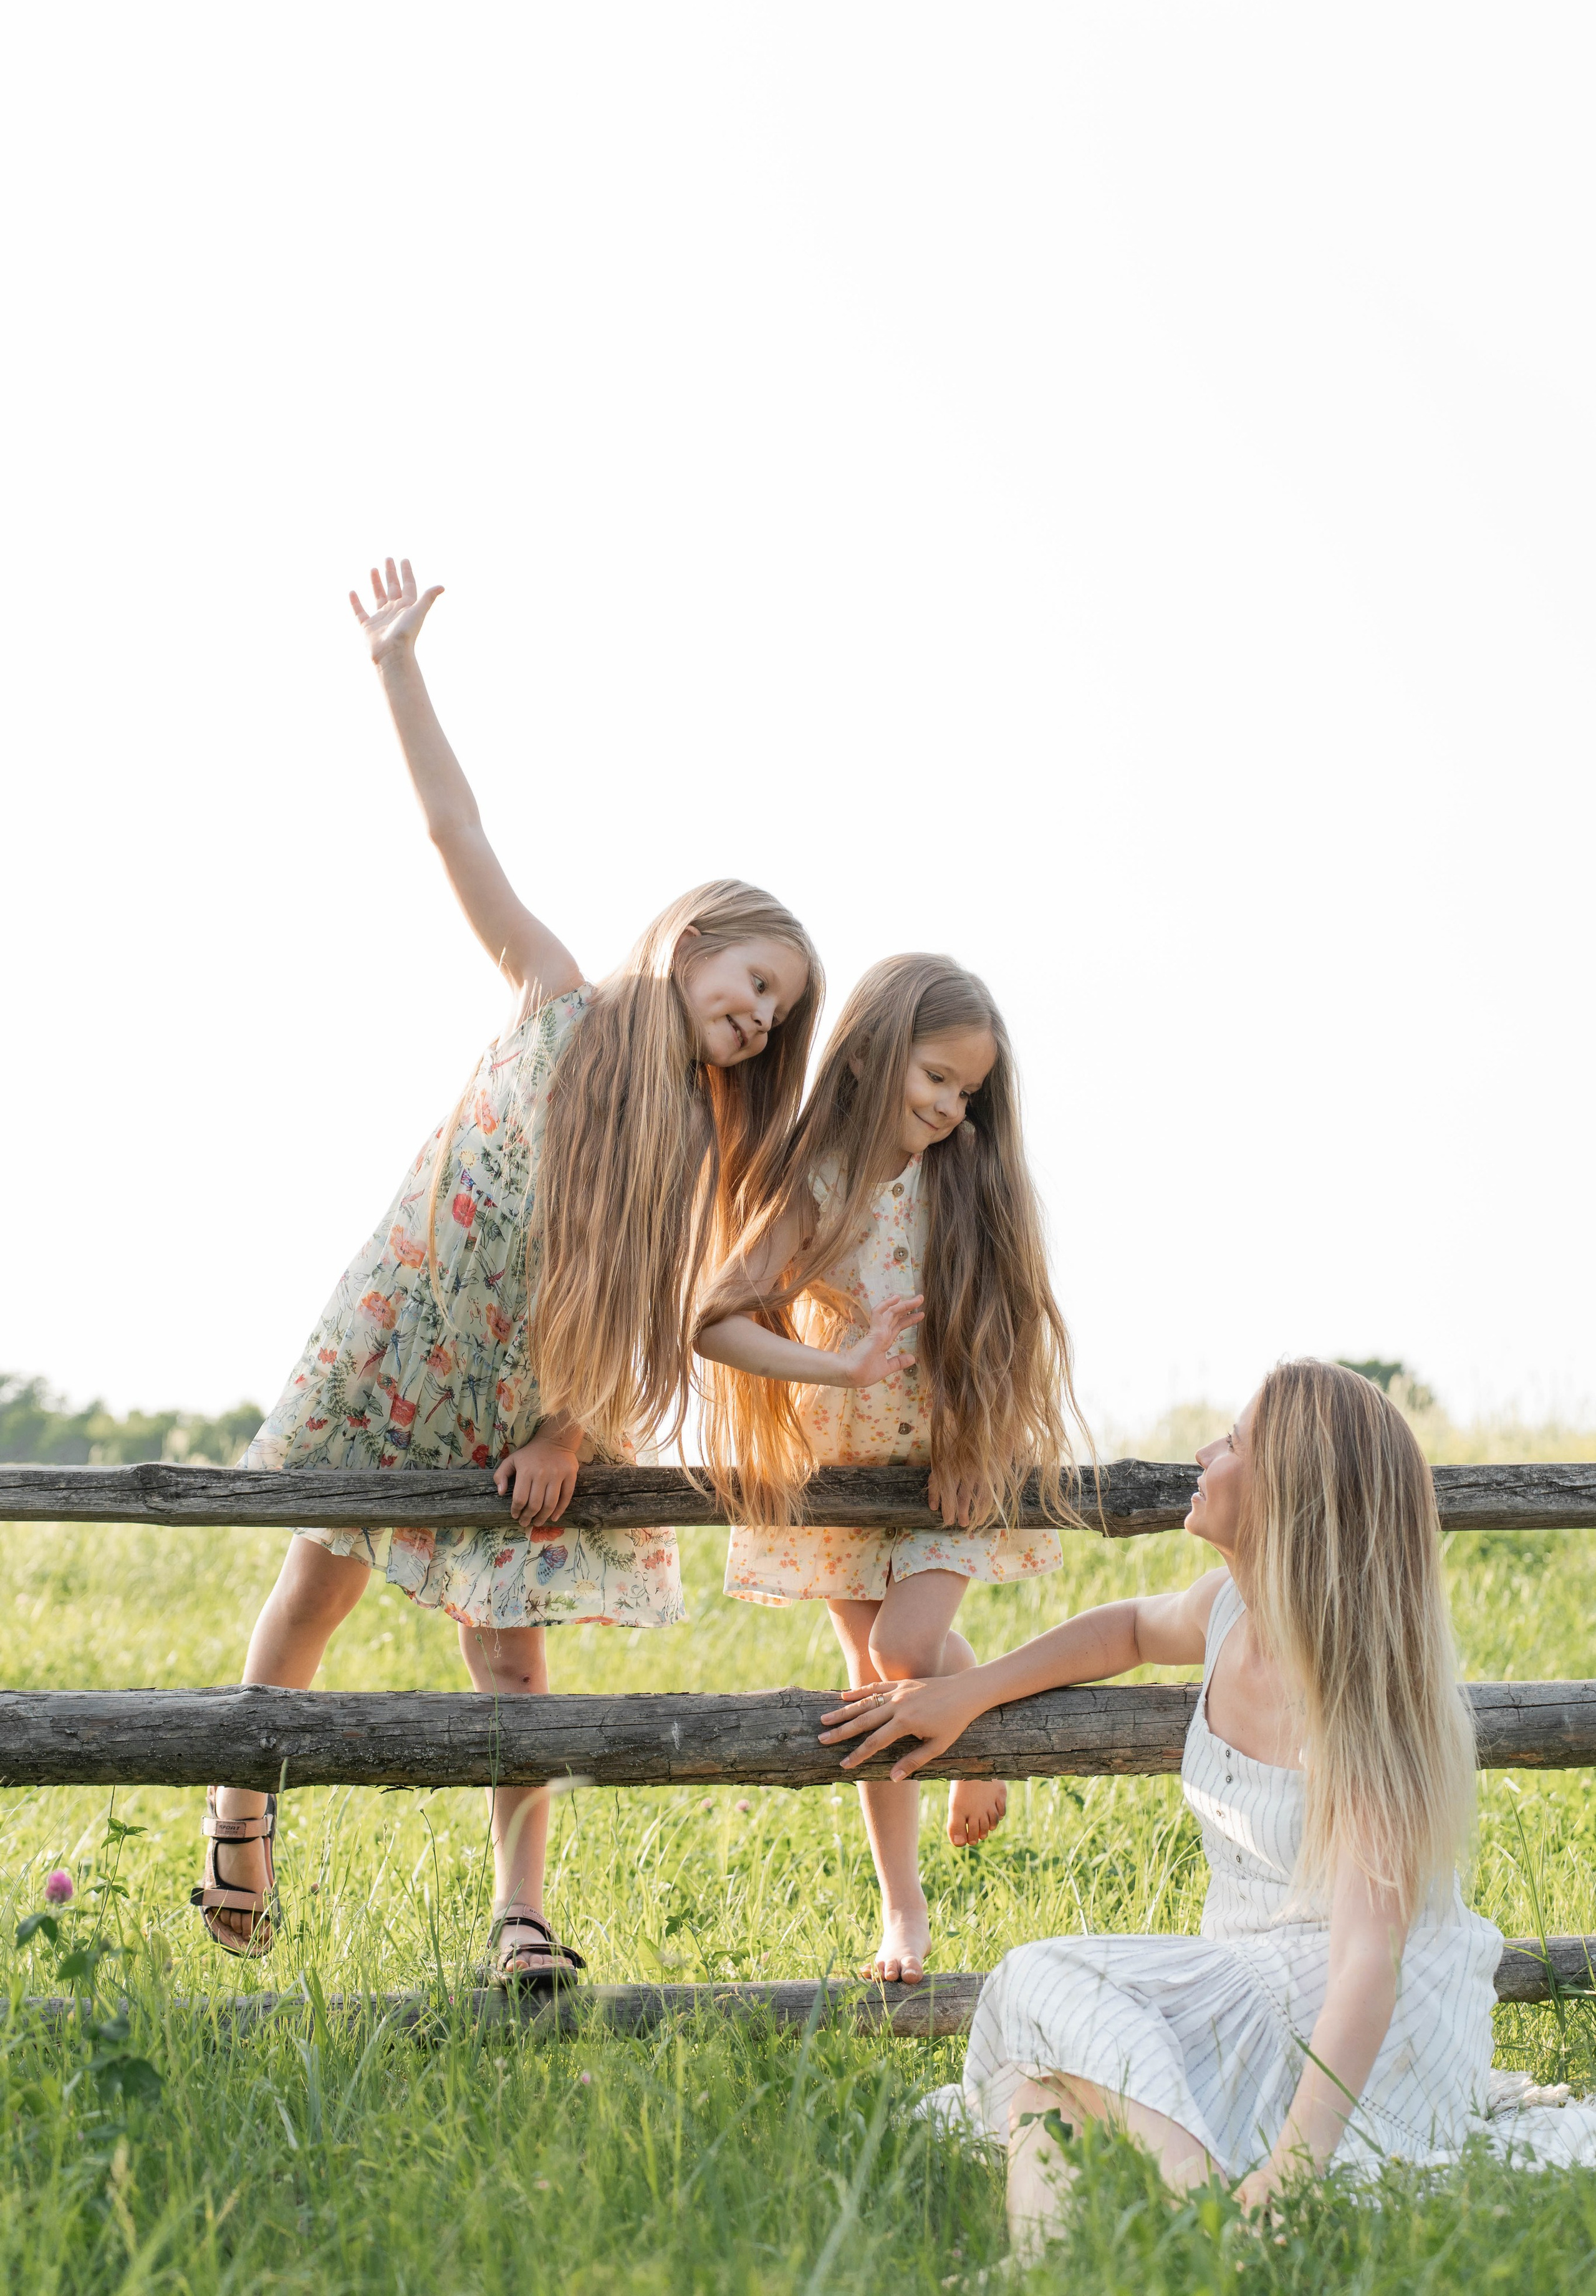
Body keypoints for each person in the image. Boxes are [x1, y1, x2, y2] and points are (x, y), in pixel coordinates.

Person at [193, 557, 820, 1982]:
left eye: (777, 1013)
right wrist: (396, 666)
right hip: (404, 1350)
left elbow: (654, 1317)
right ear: (696, 940)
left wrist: (568, 1432)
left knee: (513, 1664)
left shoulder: (696, 1148)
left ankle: (517, 1916)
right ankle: (238, 1799)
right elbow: (453, 829)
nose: (759, 1016)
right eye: (755, 983)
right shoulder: (554, 994)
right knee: (313, 1592)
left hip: (519, 1414)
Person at [819, 1358, 1506, 2250]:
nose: (1203, 1450)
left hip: (1354, 2015)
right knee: (1040, 2081)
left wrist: (1294, 2167)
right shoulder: (1232, 1610)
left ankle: (1227, 2222)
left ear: (1287, 1491)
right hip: (1251, 1983)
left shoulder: (1355, 1695)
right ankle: (1053, 2272)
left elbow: (1369, 1958)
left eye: (1233, 1441)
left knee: (1037, 1982)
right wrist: (970, 1692)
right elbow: (1129, 1630)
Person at [695, 955, 1085, 1985]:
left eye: (968, 1091)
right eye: (937, 1078)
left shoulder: (966, 1180)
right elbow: (714, 1317)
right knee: (873, 1688)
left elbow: (1006, 1333)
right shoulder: (814, 1182)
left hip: (948, 1464)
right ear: (874, 1052)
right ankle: (901, 1910)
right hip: (846, 1471)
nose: (953, 1108)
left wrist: (979, 1446)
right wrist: (834, 1363)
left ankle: (980, 1730)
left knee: (909, 1651)